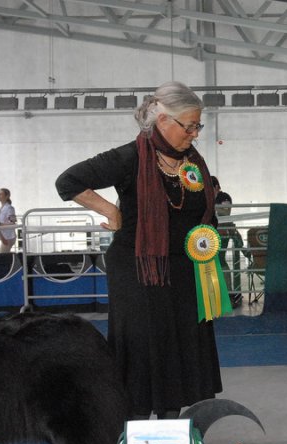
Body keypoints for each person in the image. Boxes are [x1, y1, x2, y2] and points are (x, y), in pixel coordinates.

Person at [55, 81, 222, 420]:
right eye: (188, 126)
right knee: (144, 343)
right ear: (162, 121)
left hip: (184, 268)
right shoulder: (129, 157)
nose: (194, 134)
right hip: (138, 267)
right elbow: (68, 181)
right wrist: (111, 211)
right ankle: (133, 424)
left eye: (197, 126)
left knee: (178, 343)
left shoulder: (193, 163)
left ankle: (171, 423)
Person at [212, 176, 243, 306]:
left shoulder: (224, 196)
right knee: (215, 262)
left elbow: (226, 211)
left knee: (220, 260)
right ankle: (218, 294)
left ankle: (228, 292)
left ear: (216, 187)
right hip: (211, 233)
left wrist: (211, 206)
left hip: (222, 233)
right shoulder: (210, 198)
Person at [0, 188, 17, 253]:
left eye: (0, 194)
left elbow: (12, 223)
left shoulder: (10, 208)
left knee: (2, 255)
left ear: (7, 196)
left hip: (8, 236)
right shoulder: (0, 208)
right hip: (3, 236)